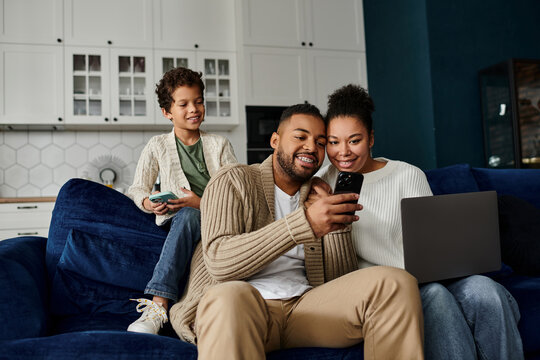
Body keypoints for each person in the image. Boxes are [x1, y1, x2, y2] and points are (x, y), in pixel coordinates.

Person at [169, 103, 425, 359]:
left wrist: (335, 228)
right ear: (275, 140)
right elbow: (219, 262)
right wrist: (305, 224)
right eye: (300, 137)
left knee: (395, 283)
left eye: (321, 142)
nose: (311, 147)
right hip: (245, 308)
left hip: (305, 309)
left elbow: (340, 282)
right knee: (228, 297)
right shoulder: (233, 180)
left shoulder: (320, 192)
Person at [312, 84, 524, 360]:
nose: (343, 152)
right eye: (333, 142)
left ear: (371, 138)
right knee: (435, 296)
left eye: (354, 140)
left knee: (487, 292)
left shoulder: (407, 175)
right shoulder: (321, 186)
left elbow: (431, 243)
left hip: (428, 277)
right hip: (386, 288)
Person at [125, 67, 237, 334]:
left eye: (199, 101)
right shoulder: (157, 146)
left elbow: (236, 193)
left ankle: (165, 306)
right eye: (184, 104)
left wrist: (200, 203)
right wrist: (149, 203)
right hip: (182, 220)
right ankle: (157, 308)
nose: (194, 109)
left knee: (190, 213)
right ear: (167, 112)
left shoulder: (219, 144)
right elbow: (137, 188)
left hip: (217, 219)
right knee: (186, 216)